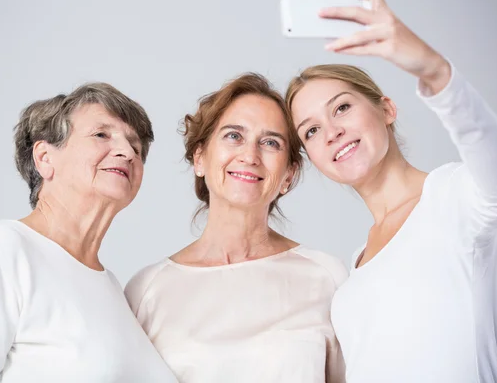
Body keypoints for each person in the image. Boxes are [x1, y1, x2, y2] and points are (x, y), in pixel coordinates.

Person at [285, 0, 497, 382]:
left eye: (342, 107)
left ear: (386, 109)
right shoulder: (354, 267)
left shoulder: (451, 196)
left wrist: (434, 71)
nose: (332, 133)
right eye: (311, 131)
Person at [0, 83, 176, 382]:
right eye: (101, 135)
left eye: (136, 146)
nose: (127, 152)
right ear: (45, 158)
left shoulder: (114, 290)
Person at [125, 73, 348, 383]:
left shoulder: (327, 277)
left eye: (271, 142)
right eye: (234, 136)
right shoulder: (146, 291)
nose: (250, 155)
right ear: (200, 158)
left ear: (288, 175)